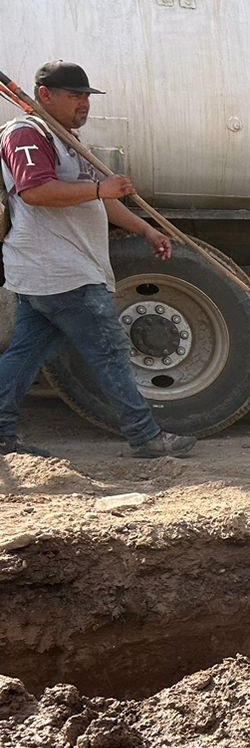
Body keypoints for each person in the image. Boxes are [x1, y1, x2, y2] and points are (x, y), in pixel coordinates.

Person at [0, 61, 195, 459]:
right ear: (44, 95)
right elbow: (36, 191)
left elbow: (101, 202)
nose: (84, 104)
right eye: (75, 96)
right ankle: (146, 437)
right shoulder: (27, 134)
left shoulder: (66, 139)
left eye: (86, 96)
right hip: (60, 271)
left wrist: (144, 229)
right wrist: (99, 186)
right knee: (110, 353)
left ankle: (2, 433)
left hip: (56, 271)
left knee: (25, 355)